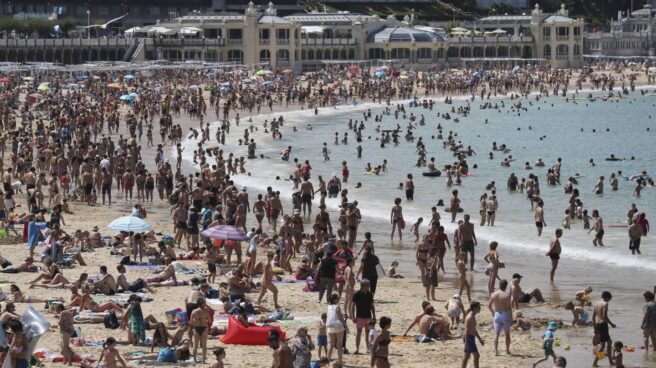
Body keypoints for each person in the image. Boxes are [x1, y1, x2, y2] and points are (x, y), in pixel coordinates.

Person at [351, 280, 376, 354]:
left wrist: (374, 316)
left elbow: (372, 306)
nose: (368, 287)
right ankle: (357, 349)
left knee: (368, 333)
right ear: (362, 286)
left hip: (368, 317)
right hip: (359, 317)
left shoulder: (370, 294)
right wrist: (353, 316)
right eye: (367, 285)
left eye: (368, 285)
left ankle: (368, 348)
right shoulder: (357, 294)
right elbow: (353, 306)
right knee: (359, 333)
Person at [592, 291, 616, 366]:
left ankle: (610, 362)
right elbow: (605, 316)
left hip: (598, 325)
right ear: (608, 297)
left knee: (609, 342)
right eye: (609, 298)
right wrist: (611, 324)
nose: (609, 300)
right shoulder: (605, 304)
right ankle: (595, 363)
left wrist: (595, 328)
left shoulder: (596, 304)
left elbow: (593, 317)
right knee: (602, 346)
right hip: (603, 325)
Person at [489, 279, 512, 356]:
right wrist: (511, 317)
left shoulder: (494, 294)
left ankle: (496, 352)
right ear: (505, 286)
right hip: (505, 314)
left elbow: (489, 306)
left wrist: (493, 313)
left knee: (497, 334)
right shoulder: (506, 295)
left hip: (497, 314)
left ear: (499, 285)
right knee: (507, 334)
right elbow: (509, 307)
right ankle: (507, 351)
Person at [326, 293, 347, 366]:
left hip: (330, 326)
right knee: (339, 345)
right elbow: (340, 317)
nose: (338, 300)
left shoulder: (328, 306)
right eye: (337, 299)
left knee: (331, 345)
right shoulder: (337, 306)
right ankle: (340, 361)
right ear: (335, 300)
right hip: (338, 326)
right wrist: (345, 325)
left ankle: (327, 360)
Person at [462, 301, 484, 368]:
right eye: (478, 307)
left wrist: (479, 339)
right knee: (476, 355)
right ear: (474, 308)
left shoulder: (472, 316)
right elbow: (467, 330)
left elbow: (473, 329)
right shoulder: (470, 317)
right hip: (468, 337)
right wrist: (466, 343)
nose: (480, 308)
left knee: (467, 356)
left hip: (470, 337)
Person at [190, 296, 211, 363]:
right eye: (204, 302)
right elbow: (210, 321)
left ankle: (195, 360)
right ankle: (203, 361)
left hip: (197, 327)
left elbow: (191, 322)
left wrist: (197, 321)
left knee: (195, 345)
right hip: (204, 327)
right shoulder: (206, 311)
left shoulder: (194, 311)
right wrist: (204, 319)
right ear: (202, 303)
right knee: (204, 345)